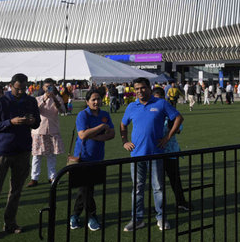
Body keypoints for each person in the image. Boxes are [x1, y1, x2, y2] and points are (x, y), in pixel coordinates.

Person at [0, 73, 41, 242]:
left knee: (16, 191)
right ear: (10, 85)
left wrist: (31, 121)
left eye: (24, 88)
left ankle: (10, 223)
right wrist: (10, 122)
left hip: (23, 150)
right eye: (18, 88)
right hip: (3, 151)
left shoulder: (30, 101)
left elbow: (37, 122)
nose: (21, 91)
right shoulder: (1, 102)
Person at [120, 77, 183, 232]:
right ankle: (137, 219)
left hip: (155, 153)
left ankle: (161, 217)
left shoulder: (160, 103)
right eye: (136, 89)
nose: (139, 91)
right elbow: (123, 124)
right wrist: (124, 141)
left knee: (158, 188)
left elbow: (178, 118)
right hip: (136, 155)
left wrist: (167, 137)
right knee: (137, 188)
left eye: (142, 88)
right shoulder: (132, 107)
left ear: (149, 88)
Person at [69, 89, 115, 231]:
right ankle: (92, 216)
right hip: (83, 157)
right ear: (87, 101)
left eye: (98, 99)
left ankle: (75, 215)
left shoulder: (105, 115)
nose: (96, 102)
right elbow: (82, 135)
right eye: (93, 99)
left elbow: (112, 133)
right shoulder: (83, 115)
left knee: (86, 189)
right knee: (86, 188)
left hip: (98, 157)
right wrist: (101, 127)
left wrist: (96, 136)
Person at [152, 87, 190, 211]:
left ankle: (181, 202)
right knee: (158, 183)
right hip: (156, 152)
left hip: (170, 151)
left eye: (160, 99)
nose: (158, 102)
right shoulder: (151, 112)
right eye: (155, 99)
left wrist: (172, 128)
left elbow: (179, 128)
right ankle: (160, 207)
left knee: (175, 179)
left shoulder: (169, 111)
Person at [26, 78, 65, 187]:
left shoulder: (58, 99)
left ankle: (52, 177)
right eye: (47, 86)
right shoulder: (37, 99)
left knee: (51, 155)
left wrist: (54, 99)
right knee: (36, 155)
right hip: (39, 130)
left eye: (51, 86)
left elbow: (62, 111)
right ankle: (34, 178)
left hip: (53, 130)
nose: (49, 88)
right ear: (43, 88)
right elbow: (35, 112)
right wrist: (45, 99)